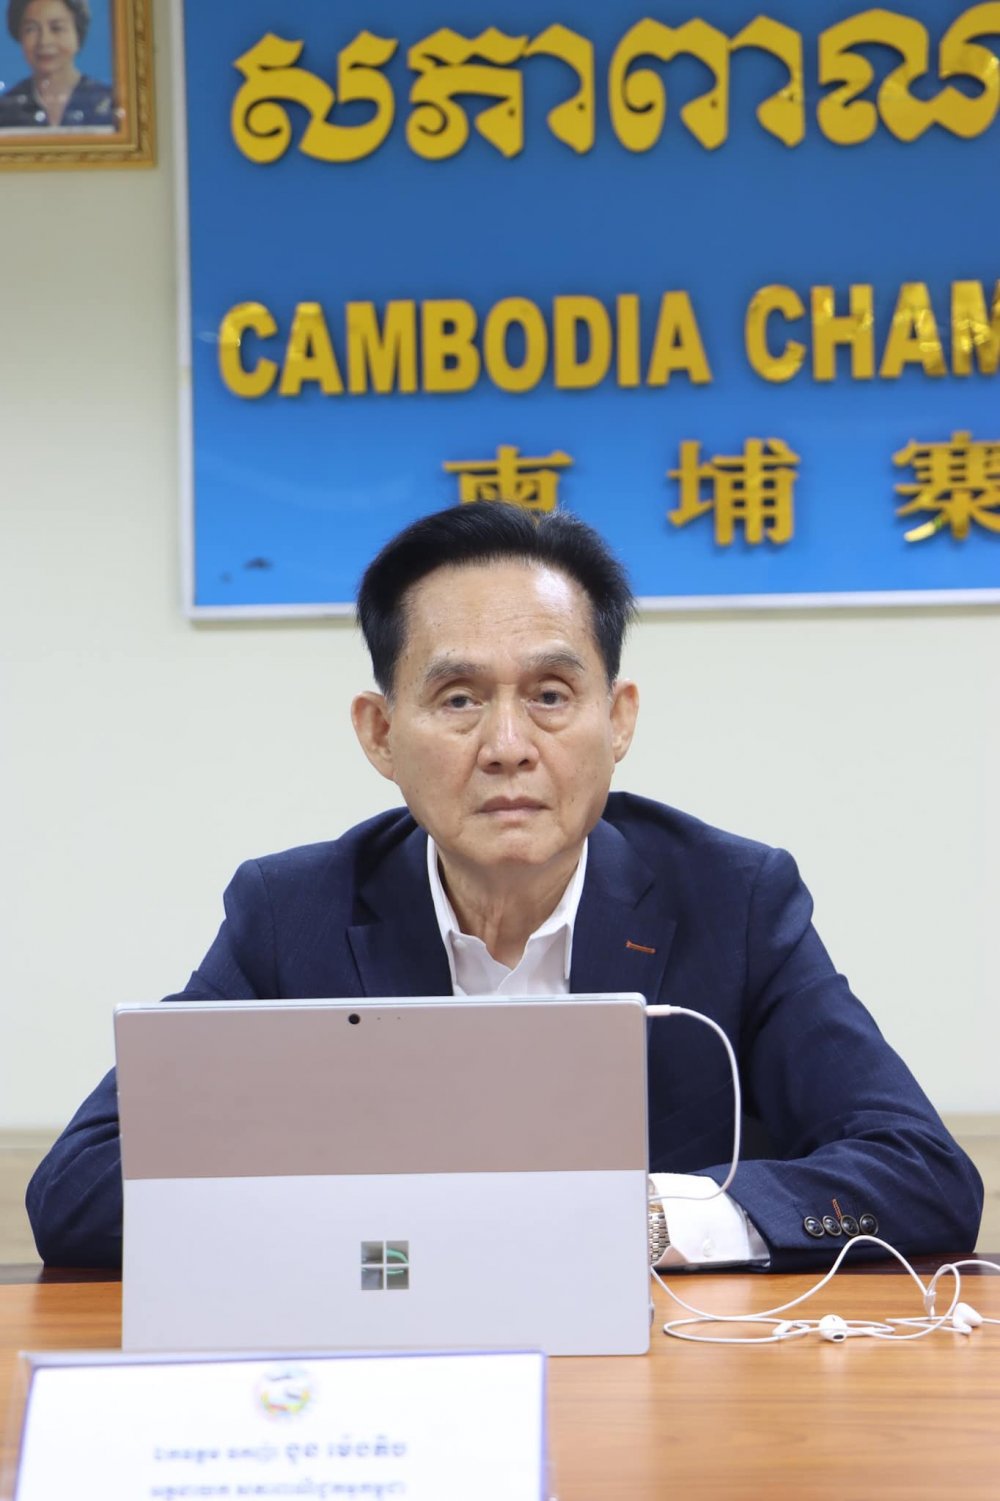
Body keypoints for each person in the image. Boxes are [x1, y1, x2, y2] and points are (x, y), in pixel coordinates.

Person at [27, 502, 983, 1268]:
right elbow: (78, 1192)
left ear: (619, 719)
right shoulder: (295, 914)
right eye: (458, 699)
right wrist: (416, 1218)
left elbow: (924, 1177)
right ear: (380, 734)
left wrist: (652, 1218)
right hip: (396, 1352)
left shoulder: (733, 900)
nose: (508, 746)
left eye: (551, 695)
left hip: (666, 1379)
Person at [0, 0, 112, 131]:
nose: (44, 41)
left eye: (56, 28)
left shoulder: (108, 101)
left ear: (78, 34)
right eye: (31, 29)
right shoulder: (7, 107)